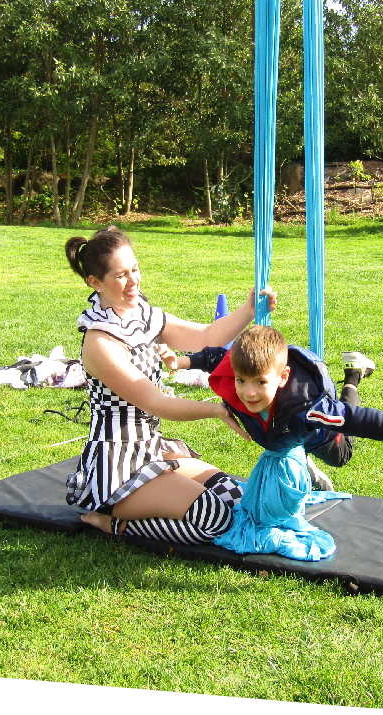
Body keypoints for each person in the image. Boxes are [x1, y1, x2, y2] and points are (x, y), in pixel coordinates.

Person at [63, 226, 277, 546]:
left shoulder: (143, 315)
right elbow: (156, 403)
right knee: (215, 520)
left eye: (135, 269)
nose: (134, 280)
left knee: (238, 498)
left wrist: (247, 310)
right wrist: (218, 410)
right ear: (95, 282)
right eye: (121, 275)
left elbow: (205, 337)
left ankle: (142, 507)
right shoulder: (100, 342)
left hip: (151, 450)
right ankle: (115, 524)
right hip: (118, 468)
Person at [174, 325, 383, 466]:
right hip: (284, 436)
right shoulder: (239, 368)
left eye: (260, 383)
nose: (249, 393)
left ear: (282, 378)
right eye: (242, 381)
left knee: (342, 451)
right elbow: (217, 357)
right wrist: (181, 362)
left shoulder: (309, 409)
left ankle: (353, 376)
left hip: (320, 436)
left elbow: (359, 420)